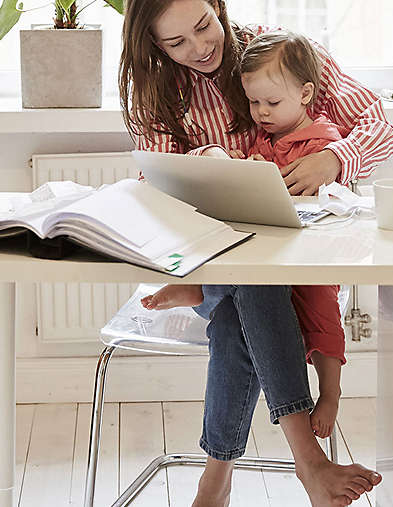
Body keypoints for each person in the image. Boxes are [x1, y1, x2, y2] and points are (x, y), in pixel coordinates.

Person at [121, 1, 393, 505]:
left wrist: (336, 158)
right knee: (254, 279)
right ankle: (308, 460)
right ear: (154, 47)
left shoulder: (280, 52)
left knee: (236, 318)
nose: (201, 48)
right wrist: (203, 165)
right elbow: (156, 187)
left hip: (287, 261)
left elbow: (380, 124)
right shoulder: (157, 93)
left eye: (205, 26)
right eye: (177, 43)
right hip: (212, 256)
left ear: (219, 7)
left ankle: (216, 478)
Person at [147, 30, 349, 440]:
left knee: (317, 313)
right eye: (254, 102)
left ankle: (330, 393)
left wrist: (327, 168)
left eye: (271, 103)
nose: (261, 112)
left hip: (306, 258)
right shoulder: (263, 137)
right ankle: (301, 455)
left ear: (307, 94)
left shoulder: (323, 141)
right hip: (264, 257)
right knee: (251, 284)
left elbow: (337, 199)